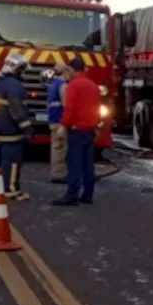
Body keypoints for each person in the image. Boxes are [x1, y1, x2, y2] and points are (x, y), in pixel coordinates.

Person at [52, 58, 100, 206]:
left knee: (74, 163)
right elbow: (97, 108)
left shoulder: (74, 85)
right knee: (88, 164)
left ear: (72, 69)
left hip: (77, 130)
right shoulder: (92, 85)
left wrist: (63, 125)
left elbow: (70, 108)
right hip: (89, 129)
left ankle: (71, 195)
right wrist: (96, 125)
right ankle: (88, 194)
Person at [0, 53, 35, 201]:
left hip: (0, 128)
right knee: (13, 163)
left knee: (1, 162)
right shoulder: (14, 86)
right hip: (11, 131)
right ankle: (11, 191)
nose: (23, 73)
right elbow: (17, 109)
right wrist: (27, 128)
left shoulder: (1, 82)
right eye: (22, 69)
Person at [47, 63, 72, 183]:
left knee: (56, 147)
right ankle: (58, 174)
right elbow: (66, 105)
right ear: (64, 72)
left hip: (53, 119)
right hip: (60, 121)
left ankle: (55, 172)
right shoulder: (63, 86)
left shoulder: (52, 84)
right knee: (61, 148)